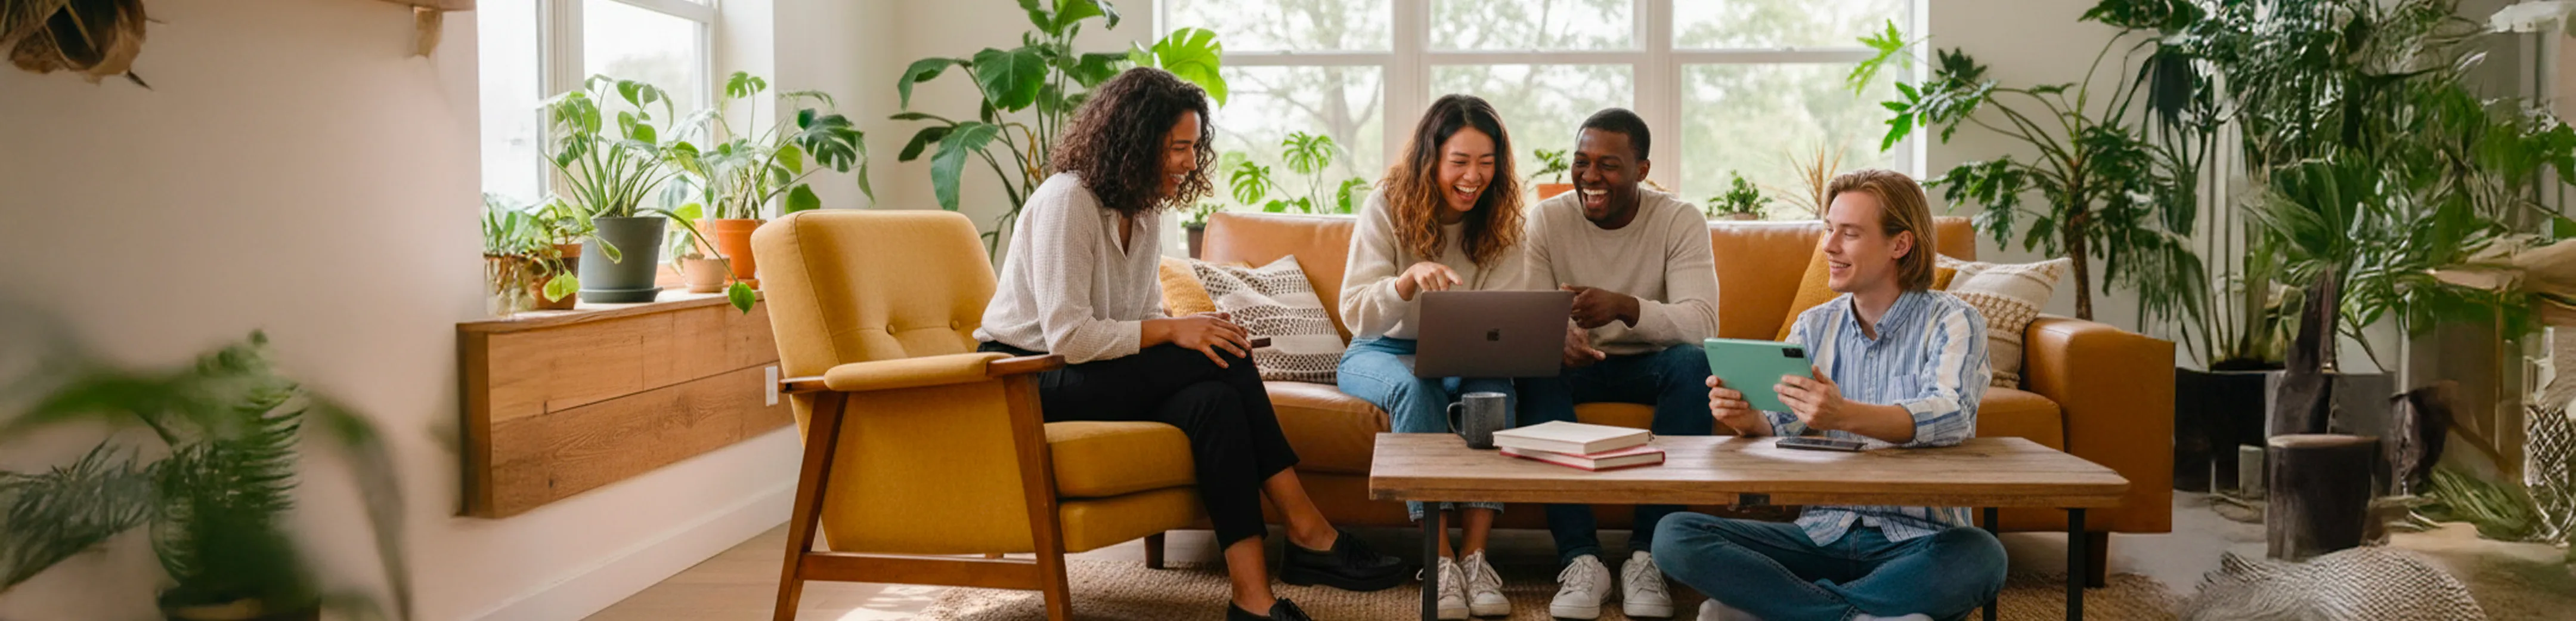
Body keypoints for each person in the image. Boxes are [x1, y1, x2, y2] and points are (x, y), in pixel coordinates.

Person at [974, 67, 1407, 621]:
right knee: (1224, 359)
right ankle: (1307, 529)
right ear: (1134, 142)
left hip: (1094, 371)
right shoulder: (1068, 201)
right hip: (1029, 376)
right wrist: (1178, 331)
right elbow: (1069, 335)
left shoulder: (1147, 209)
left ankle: (1252, 598)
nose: (1189, 162)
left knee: (1216, 396)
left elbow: (1144, 316)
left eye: (1193, 147)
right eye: (1178, 148)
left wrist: (1193, 330)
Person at [1658, 169, 2005, 621]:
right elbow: (1784, 422)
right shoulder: (1814, 325)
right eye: (1828, 229)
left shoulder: (1954, 321)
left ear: (1900, 244)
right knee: (1675, 534)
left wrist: (1844, 414)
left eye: (1850, 233)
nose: (1829, 246)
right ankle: (1860, 615)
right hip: (1822, 533)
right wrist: (1748, 420)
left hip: (1921, 539)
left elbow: (1951, 413)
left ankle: (1778, 610)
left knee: (1982, 555)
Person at [1516, 108, 1723, 620]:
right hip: (1576, 364)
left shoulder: (1679, 219)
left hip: (1652, 363)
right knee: (1535, 373)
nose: (1590, 177)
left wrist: (1626, 306)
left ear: (1643, 170)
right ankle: (1581, 557)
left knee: (1694, 365)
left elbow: (1703, 323)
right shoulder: (1547, 218)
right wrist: (1555, 338)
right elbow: (1526, 314)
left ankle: (1647, 554)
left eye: (1608, 165)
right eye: (1581, 162)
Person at [1335, 94, 1531, 620]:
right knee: (1413, 386)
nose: (1474, 177)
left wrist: (1484, 339)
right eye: (1460, 163)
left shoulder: (1504, 221)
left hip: (1463, 352)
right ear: (1432, 160)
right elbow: (1355, 312)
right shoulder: (1387, 204)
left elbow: (1504, 317)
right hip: (1379, 347)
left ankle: (1475, 557)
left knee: (1493, 384)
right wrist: (1404, 282)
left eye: (1487, 164)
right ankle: (1439, 559)